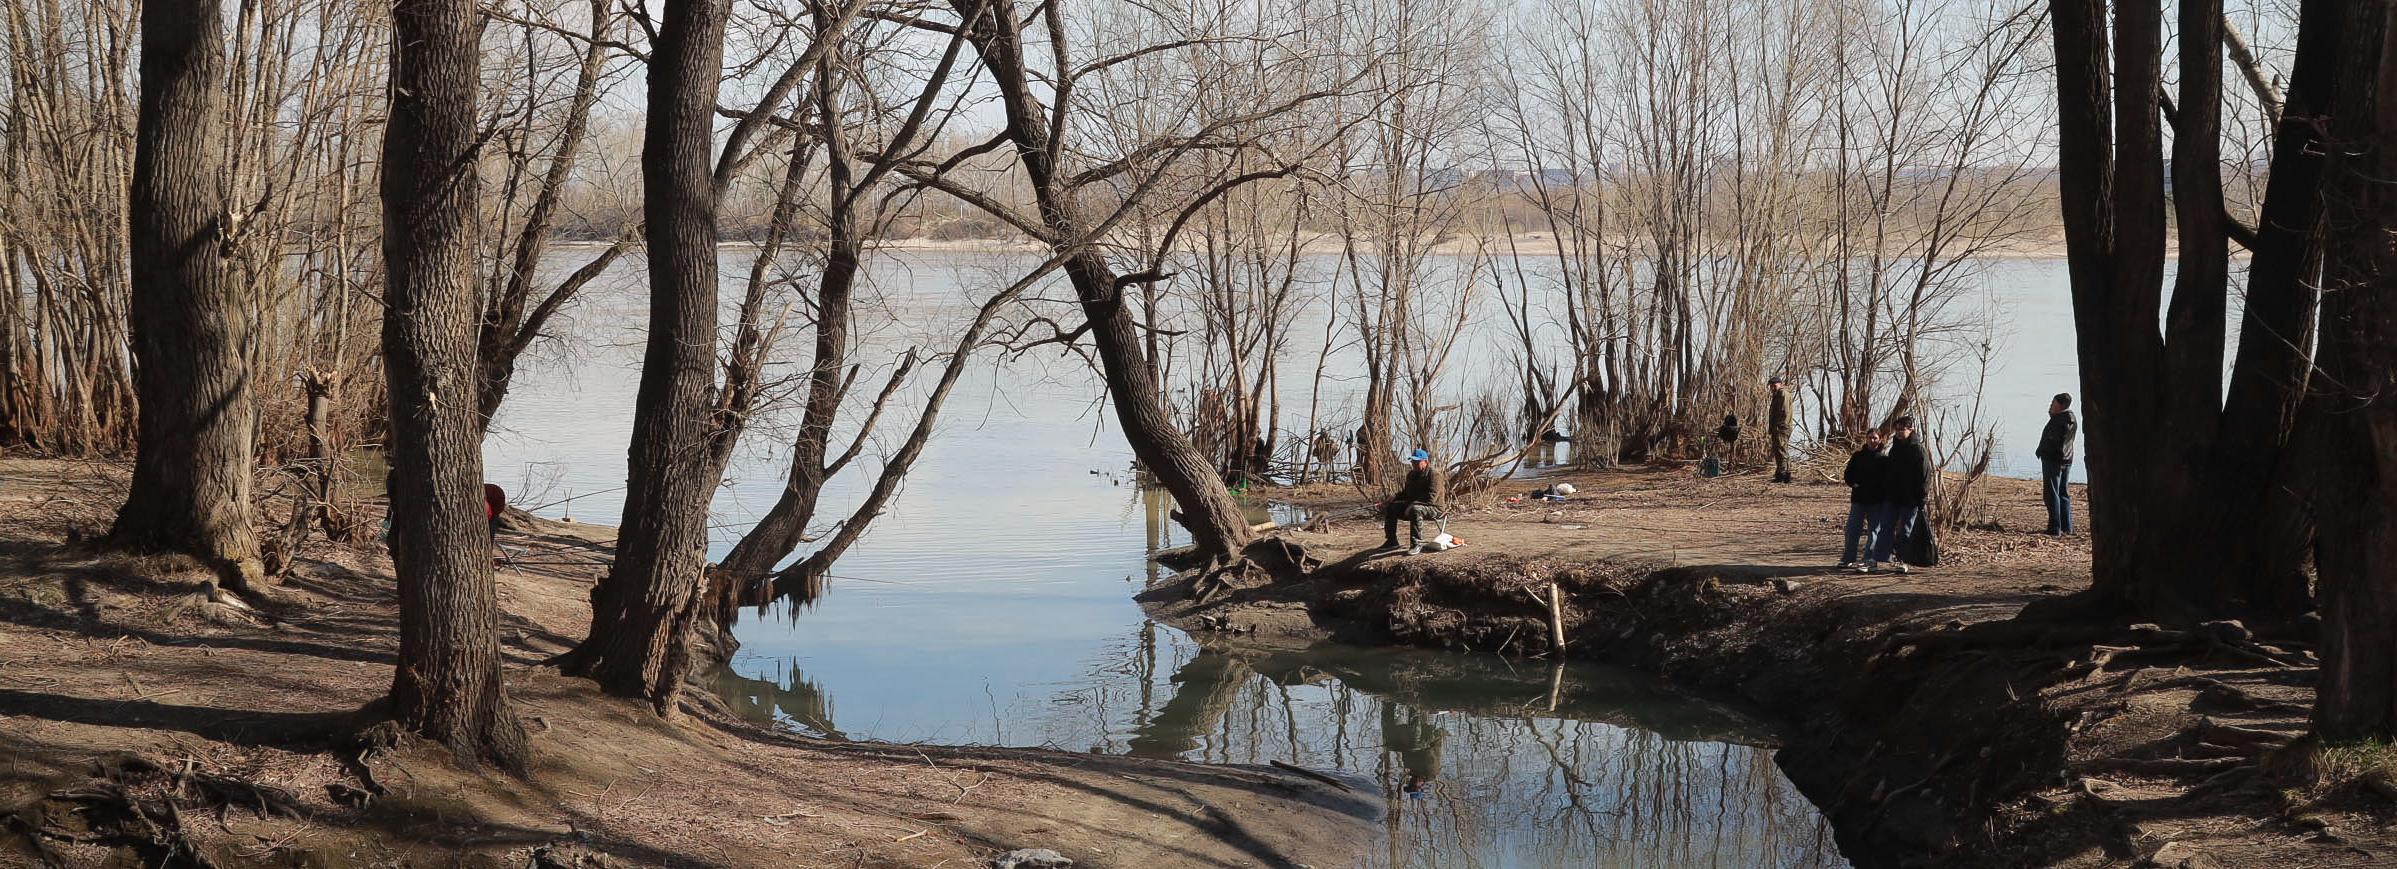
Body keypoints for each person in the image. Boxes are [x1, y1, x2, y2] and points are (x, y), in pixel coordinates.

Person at [1863, 416, 1930, 574]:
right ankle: (1877, 559)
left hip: (1910, 499)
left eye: (1902, 429)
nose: (1899, 432)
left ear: (1911, 429)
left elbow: (1925, 476)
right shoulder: (1895, 448)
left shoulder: (1918, 450)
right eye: (1897, 429)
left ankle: (1903, 560)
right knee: (1885, 528)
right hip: (1892, 497)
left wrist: (1921, 498)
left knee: (1905, 530)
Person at [1838, 429, 1887, 568]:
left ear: (1880, 440)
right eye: (1870, 437)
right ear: (1866, 439)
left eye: (1875, 438)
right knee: (1852, 530)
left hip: (1876, 502)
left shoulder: (1884, 459)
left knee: (1874, 531)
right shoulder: (1858, 456)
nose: (1873, 440)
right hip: (1859, 500)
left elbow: (1888, 480)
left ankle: (1870, 559)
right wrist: (1854, 483)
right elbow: (1848, 474)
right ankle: (1848, 559)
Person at [2035, 393, 2077, 536]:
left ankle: (2054, 528)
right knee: (2062, 493)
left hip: (2054, 461)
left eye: (2053, 404)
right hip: (2067, 460)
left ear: (2059, 405)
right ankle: (2067, 527)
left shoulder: (2059, 421)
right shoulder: (2071, 419)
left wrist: (2042, 451)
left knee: (2052, 494)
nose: (2050, 406)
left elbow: (2053, 441)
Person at [1382, 449, 1439, 551]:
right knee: (1391, 507)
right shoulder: (1411, 475)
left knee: (1415, 510)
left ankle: (1416, 543)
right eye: (1413, 461)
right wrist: (1394, 497)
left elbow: (1431, 497)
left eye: (1417, 461)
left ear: (1425, 461)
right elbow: (1406, 493)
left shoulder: (1434, 475)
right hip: (1413, 505)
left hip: (1434, 508)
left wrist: (1412, 504)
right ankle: (1391, 541)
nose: (1414, 464)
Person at [1767, 376, 1793, 483]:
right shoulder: (1777, 394)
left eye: (1774, 385)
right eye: (1771, 386)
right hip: (1779, 426)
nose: (1772, 387)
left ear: (1780, 384)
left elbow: (1784, 411)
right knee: (1781, 450)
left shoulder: (1783, 393)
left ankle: (1782, 475)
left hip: (1781, 427)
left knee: (1781, 450)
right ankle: (1785, 474)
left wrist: (1779, 425)